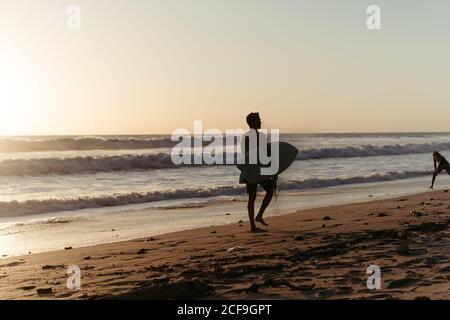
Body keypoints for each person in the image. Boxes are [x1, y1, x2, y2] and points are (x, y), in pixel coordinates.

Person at [240, 112, 277, 233]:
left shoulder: (261, 136)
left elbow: (268, 153)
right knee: (252, 196)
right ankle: (252, 226)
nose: (261, 121)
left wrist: (274, 169)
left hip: (261, 170)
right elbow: (247, 155)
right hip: (251, 170)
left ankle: (259, 215)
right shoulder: (247, 137)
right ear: (253, 122)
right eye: (258, 120)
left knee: (270, 190)